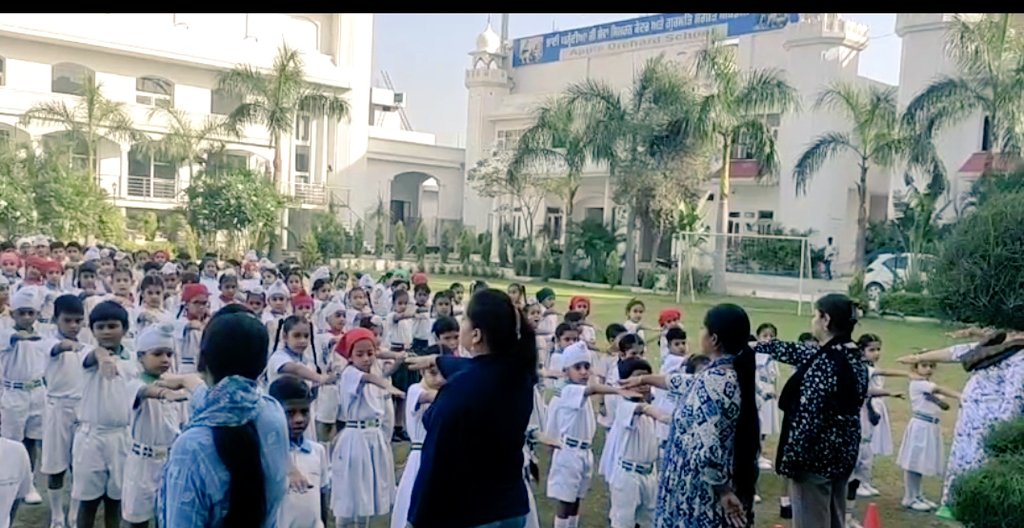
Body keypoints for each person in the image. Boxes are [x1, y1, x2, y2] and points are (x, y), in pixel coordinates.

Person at [406, 288, 538, 528]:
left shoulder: (460, 390)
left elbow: (435, 463)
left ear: (476, 335)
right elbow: (481, 369)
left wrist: (415, 521)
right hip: (510, 508)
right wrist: (437, 360)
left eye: (465, 318)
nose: (461, 323)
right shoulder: (520, 375)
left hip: (470, 513)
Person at [624, 303, 759, 528]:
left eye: (703, 329)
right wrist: (643, 379)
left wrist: (722, 490)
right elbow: (682, 382)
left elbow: (707, 446)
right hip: (706, 483)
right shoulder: (726, 374)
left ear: (714, 339)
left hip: (698, 492)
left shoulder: (712, 381)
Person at [156, 308, 290, 527]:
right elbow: (228, 402)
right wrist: (188, 381)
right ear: (263, 363)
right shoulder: (272, 413)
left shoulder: (192, 446)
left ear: (205, 360)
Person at [752, 293, 868, 528]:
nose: (812, 320)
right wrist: (760, 346)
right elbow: (802, 352)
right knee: (834, 516)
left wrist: (791, 461)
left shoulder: (826, 364)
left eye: (815, 315)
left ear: (825, 320)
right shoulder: (852, 355)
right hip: (843, 452)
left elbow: (809, 416)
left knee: (811, 520)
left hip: (815, 458)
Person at [896, 332, 1024, 520]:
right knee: (961, 459)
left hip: (992, 422)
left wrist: (1003, 430)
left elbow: (1015, 396)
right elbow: (957, 352)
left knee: (983, 463)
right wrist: (918, 358)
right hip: (970, 419)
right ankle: (953, 502)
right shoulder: (995, 342)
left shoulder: (1020, 356)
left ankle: (977, 507)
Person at [896, 359, 959, 512]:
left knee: (920, 462)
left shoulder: (926, 386)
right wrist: (960, 395)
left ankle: (917, 494)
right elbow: (938, 389)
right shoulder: (919, 384)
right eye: (924, 366)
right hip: (920, 425)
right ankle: (910, 497)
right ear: (915, 367)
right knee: (914, 461)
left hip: (930, 425)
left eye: (931, 366)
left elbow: (940, 402)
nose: (928, 369)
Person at [270, 375, 331, 528]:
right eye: (290, 413)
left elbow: (322, 498)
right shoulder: (267, 456)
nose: (299, 419)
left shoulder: (317, 451)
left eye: (304, 412)